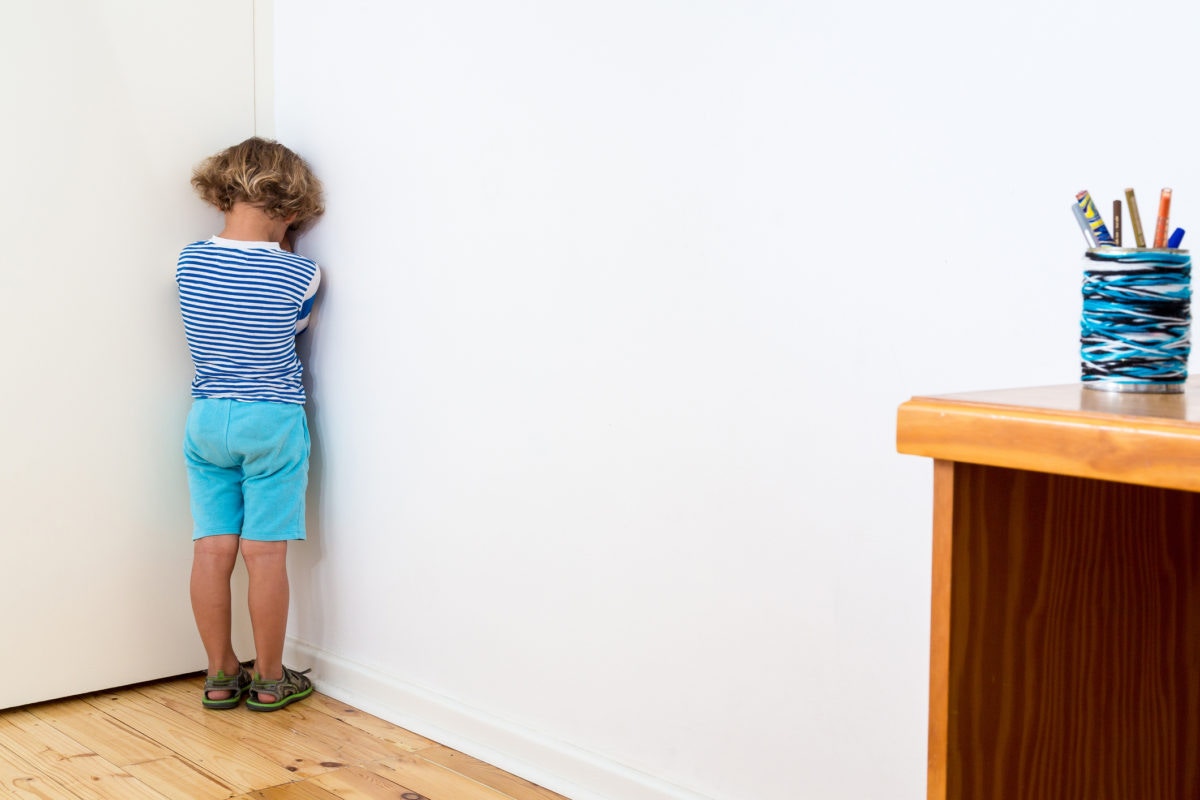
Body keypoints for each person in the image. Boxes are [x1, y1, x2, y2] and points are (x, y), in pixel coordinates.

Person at [176, 137, 324, 711]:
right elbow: (297, 329)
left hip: (208, 419)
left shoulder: (190, 259)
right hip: (272, 420)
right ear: (289, 210)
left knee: (211, 549)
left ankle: (219, 673)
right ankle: (269, 677)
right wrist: (285, 248)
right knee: (265, 554)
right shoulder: (302, 273)